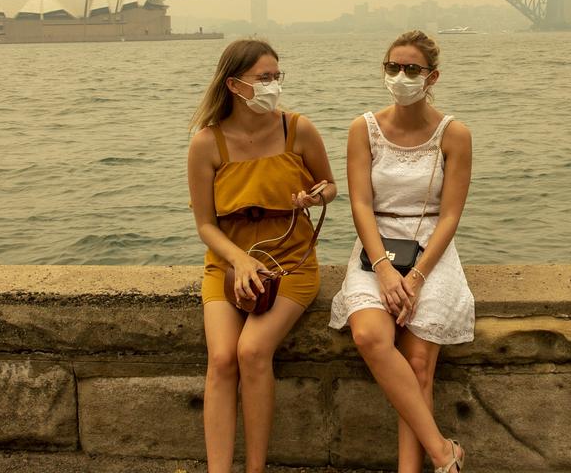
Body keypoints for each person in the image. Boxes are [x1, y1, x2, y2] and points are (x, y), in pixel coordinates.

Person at [187, 38, 337, 473]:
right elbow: (205, 225)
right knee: (221, 357)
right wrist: (240, 261)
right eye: (263, 78)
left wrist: (315, 195)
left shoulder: (298, 129)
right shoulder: (207, 143)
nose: (273, 85)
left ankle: (255, 469)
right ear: (234, 85)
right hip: (229, 262)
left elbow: (330, 184)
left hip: (291, 261)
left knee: (252, 351)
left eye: (276, 76)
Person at [330, 30, 473, 473]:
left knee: (417, 363)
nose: (400, 76)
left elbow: (449, 216)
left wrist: (416, 277)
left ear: (432, 77)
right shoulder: (364, 129)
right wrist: (385, 271)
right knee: (371, 335)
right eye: (392, 67)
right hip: (377, 246)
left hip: (431, 250)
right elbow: (359, 204)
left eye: (411, 69)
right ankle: (442, 451)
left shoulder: (455, 134)